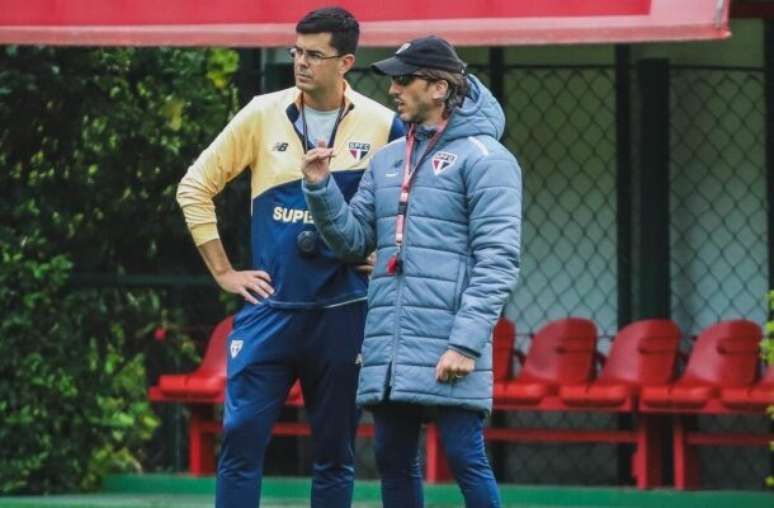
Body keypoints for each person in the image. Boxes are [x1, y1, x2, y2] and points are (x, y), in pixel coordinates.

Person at [176, 7, 404, 508]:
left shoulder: (384, 124)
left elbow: (415, 204)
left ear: (345, 62)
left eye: (314, 55)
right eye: (296, 51)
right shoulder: (262, 112)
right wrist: (223, 271)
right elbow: (194, 186)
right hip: (269, 310)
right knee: (239, 444)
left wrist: (388, 251)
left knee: (335, 455)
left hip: (343, 313)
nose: (301, 63)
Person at [301, 35, 522, 507]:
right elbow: (354, 240)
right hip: (392, 344)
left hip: (449, 341)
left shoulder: (487, 159)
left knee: (467, 458)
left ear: (440, 88)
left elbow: (498, 259)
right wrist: (320, 189)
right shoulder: (385, 160)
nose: (393, 90)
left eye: (404, 79)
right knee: (392, 459)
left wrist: (465, 342)